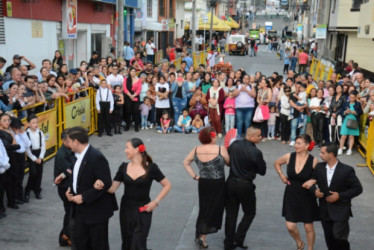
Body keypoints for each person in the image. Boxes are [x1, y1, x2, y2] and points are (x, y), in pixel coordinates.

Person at [94, 138, 171, 250]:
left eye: (127, 148)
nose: (125, 150)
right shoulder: (123, 167)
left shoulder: (151, 168)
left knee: (138, 242)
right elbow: (112, 189)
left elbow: (167, 185)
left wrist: (155, 202)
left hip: (143, 209)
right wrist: (99, 184)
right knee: (127, 241)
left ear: (136, 150)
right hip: (126, 209)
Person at [64, 127, 117, 250]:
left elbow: (106, 182)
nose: (67, 144)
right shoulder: (75, 155)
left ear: (76, 141)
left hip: (96, 211)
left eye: (69, 141)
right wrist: (70, 190)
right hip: (79, 210)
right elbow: (77, 176)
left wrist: (83, 197)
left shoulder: (96, 157)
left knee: (98, 245)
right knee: (79, 242)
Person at [304, 143, 363, 250]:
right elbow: (310, 181)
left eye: (323, 153)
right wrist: (314, 191)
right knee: (330, 239)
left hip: (341, 210)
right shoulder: (319, 167)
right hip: (324, 210)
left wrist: (339, 195)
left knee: (339, 237)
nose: (320, 155)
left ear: (331, 154)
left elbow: (358, 189)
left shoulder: (347, 170)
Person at [183, 127, 230, 248]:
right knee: (214, 208)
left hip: (203, 182)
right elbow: (229, 163)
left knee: (204, 207)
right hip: (218, 183)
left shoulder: (196, 149)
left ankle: (200, 233)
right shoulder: (221, 149)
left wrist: (194, 176)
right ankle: (202, 236)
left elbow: (185, 162)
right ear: (213, 136)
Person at [274, 134, 319, 250]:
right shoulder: (289, 156)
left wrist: (312, 181)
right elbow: (277, 163)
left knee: (308, 227)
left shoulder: (314, 161)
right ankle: (300, 243)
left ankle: (310, 248)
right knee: (290, 226)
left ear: (307, 146)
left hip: (307, 195)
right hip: (291, 194)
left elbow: (320, 177)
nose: (296, 146)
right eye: (296, 143)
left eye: (299, 143)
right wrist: (281, 175)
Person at [224, 126, 266, 250]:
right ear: (251, 136)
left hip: (231, 182)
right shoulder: (256, 152)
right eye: (259, 135)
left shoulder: (235, 144)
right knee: (249, 212)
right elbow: (262, 171)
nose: (260, 137)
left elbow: (228, 159)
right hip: (246, 185)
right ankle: (239, 238)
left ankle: (228, 243)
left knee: (231, 214)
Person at [54, 130, 76, 246]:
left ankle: (67, 235)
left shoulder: (70, 150)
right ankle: (65, 236)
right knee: (70, 211)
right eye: (68, 141)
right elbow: (71, 169)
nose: (71, 143)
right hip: (65, 187)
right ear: (63, 141)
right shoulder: (62, 154)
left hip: (69, 184)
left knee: (70, 211)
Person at [25, 114, 46, 201]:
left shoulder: (40, 132)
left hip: (39, 153)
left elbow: (43, 146)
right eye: (33, 122)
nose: (35, 124)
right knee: (33, 173)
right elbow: (27, 149)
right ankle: (27, 190)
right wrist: (34, 159)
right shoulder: (27, 134)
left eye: (36, 122)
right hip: (31, 154)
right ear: (29, 124)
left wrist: (40, 157)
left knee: (39, 174)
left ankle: (37, 190)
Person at [338, 90, 362, 156]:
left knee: (351, 136)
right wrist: (345, 112)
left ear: (355, 97)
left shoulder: (358, 104)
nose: (351, 99)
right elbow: (341, 111)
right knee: (343, 135)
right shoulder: (345, 103)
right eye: (350, 97)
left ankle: (350, 149)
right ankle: (340, 148)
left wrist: (355, 112)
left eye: (353, 97)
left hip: (354, 120)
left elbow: (360, 112)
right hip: (346, 120)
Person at [123, 67, 142, 132]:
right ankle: (127, 125)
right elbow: (125, 89)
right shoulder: (126, 79)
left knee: (135, 112)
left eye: (134, 71)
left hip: (135, 96)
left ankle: (136, 126)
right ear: (129, 72)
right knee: (128, 111)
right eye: (131, 71)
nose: (133, 73)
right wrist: (130, 95)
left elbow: (139, 89)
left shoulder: (138, 79)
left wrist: (133, 95)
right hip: (128, 96)